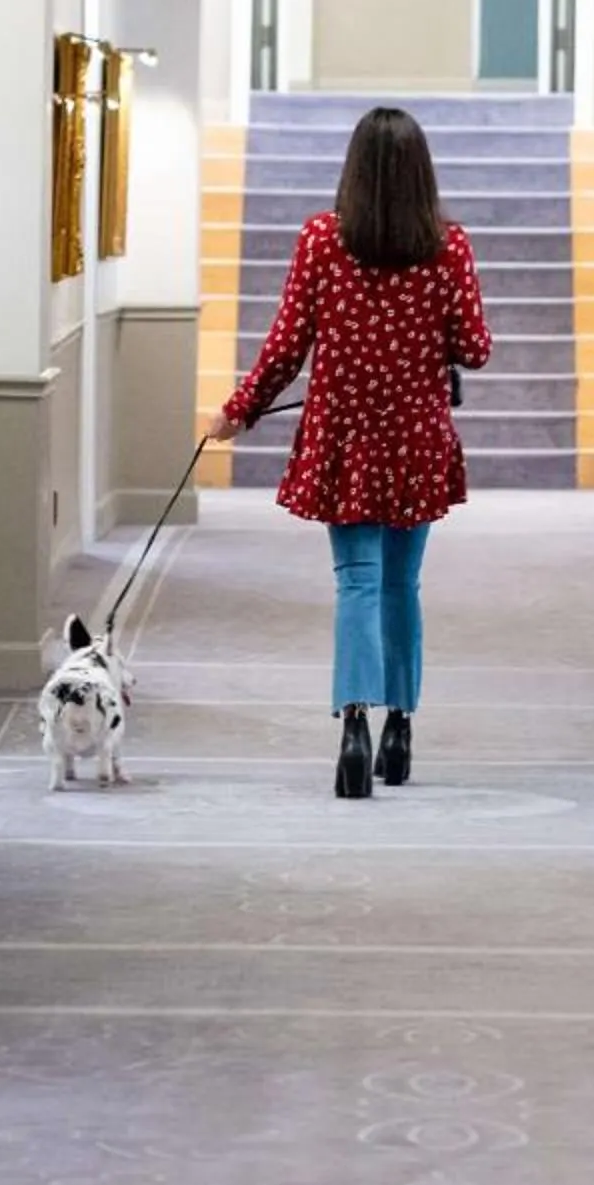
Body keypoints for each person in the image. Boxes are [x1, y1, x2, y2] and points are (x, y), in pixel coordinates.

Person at [215, 103, 493, 798]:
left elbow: (287, 344)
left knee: (358, 583)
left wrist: (239, 410)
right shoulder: (449, 246)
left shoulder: (321, 240)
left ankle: (354, 730)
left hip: (345, 436)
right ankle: (401, 726)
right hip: (415, 437)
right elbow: (474, 348)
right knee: (402, 585)